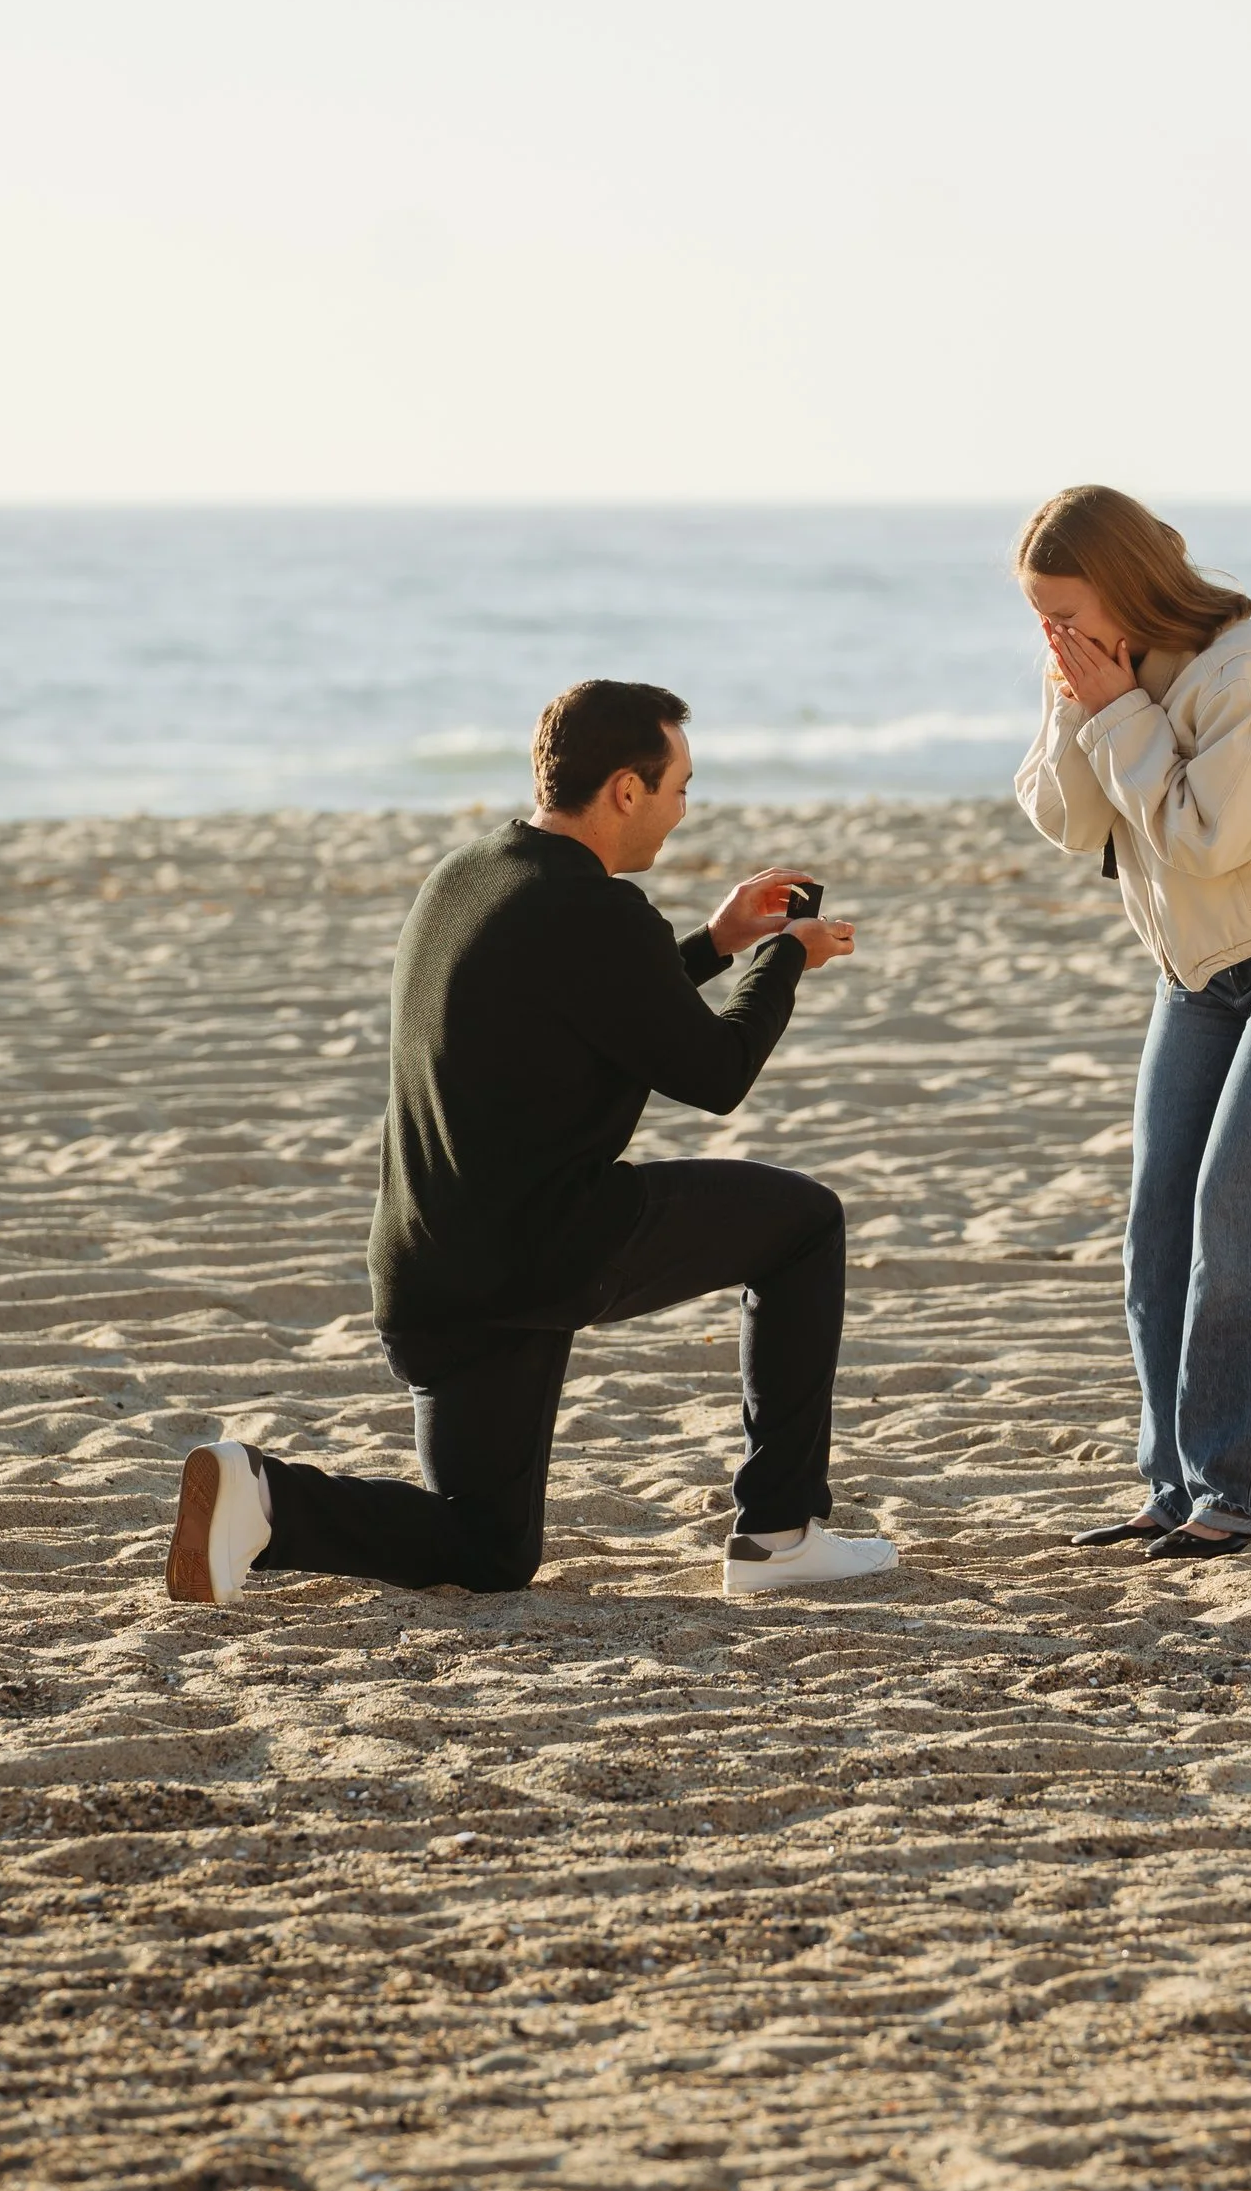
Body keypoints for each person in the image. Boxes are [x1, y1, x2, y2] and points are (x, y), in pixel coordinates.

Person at [165, 677, 897, 1607]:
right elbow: (714, 1073)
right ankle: (781, 1534)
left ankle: (262, 1497)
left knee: (488, 1549)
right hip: (541, 1253)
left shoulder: (467, 876)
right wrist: (786, 955)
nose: (682, 811)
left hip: (429, 1271)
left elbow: (593, 1005)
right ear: (625, 790)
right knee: (803, 1224)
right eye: (678, 787)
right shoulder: (596, 914)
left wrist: (715, 942)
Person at [1014, 488, 1251, 1561]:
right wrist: (1075, 702)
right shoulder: (1097, 671)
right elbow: (1070, 819)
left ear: (1129, 588)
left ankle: (1241, 1495)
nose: (1057, 637)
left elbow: (1205, 838)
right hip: (1196, 972)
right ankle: (1172, 1487)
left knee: (1241, 1221)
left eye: (1068, 616)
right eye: (1041, 619)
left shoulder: (1241, 676)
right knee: (1156, 1236)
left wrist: (1119, 711)